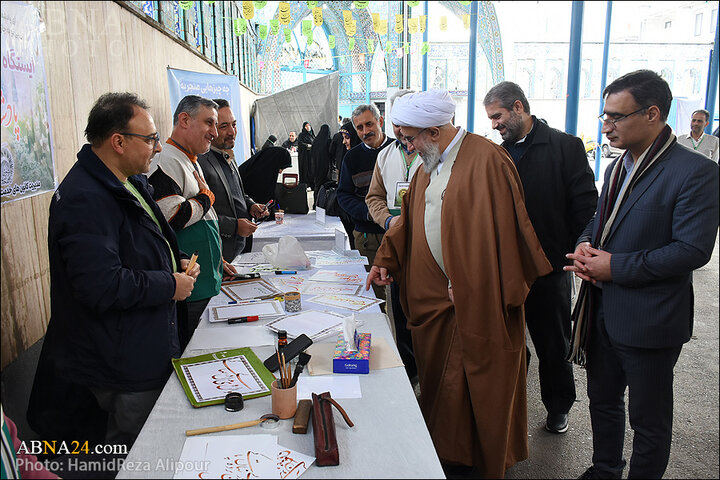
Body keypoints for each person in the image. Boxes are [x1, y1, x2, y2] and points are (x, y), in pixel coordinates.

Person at [365, 90, 552, 479]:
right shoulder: (428, 164)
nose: (409, 147)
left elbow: (507, 236)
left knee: (477, 388)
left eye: (411, 138)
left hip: (477, 300)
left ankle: (479, 461)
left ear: (434, 131)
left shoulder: (487, 160)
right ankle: (450, 454)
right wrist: (385, 258)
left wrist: (476, 284)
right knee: (443, 387)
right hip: (435, 301)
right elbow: (410, 222)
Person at [565, 70, 719, 479]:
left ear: (652, 114)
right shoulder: (619, 166)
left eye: (615, 117)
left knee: (648, 421)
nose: (605, 125)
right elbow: (601, 220)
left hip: (649, 318)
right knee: (603, 402)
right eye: (604, 115)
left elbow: (692, 250)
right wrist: (585, 243)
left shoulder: (695, 172)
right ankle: (605, 469)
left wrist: (613, 267)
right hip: (600, 312)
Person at [27, 92, 198, 449]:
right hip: (121, 360)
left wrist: (174, 260)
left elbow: (140, 240)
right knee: (140, 452)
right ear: (118, 141)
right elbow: (100, 285)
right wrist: (169, 284)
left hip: (142, 341)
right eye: (150, 139)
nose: (156, 148)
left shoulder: (127, 180)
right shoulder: (85, 197)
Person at [483, 81, 598, 434]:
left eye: (498, 116)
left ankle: (558, 406)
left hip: (549, 268)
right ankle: (511, 406)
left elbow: (586, 207)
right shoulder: (496, 153)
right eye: (490, 119)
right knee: (510, 344)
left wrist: (583, 243)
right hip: (505, 269)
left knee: (553, 344)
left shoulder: (565, 147)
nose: (494, 125)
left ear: (519, 107)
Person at [147, 95, 236, 347]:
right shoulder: (166, 161)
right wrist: (206, 199)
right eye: (209, 123)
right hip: (190, 290)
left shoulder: (187, 160)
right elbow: (171, 216)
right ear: (184, 120)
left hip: (206, 283)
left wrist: (216, 259)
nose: (214, 132)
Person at [365, 89, 423, 383]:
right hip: (398, 248)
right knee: (401, 316)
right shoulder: (385, 155)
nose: (400, 130)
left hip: (430, 251)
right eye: (396, 122)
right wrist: (388, 220)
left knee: (430, 319)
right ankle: (409, 376)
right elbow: (373, 196)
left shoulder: (435, 154)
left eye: (406, 121)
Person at [197, 99, 269, 262]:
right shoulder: (201, 162)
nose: (232, 131)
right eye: (224, 126)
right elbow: (201, 215)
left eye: (234, 124)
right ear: (212, 129)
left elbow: (237, 193)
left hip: (238, 251)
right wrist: (235, 226)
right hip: (218, 254)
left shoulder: (228, 155)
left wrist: (251, 205)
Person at [337, 104, 394, 303]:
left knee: (404, 293)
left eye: (369, 124)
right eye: (359, 127)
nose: (365, 131)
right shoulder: (352, 158)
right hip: (368, 237)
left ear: (380, 121)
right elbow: (343, 195)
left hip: (400, 233)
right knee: (374, 297)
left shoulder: (399, 150)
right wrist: (369, 213)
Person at [331, 121, 362, 250]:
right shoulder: (348, 158)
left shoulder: (363, 158)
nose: (344, 142)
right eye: (344, 138)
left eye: (347, 138)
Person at [310, 124, 333, 203]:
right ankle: (323, 203)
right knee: (325, 186)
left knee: (317, 184)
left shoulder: (316, 141)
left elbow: (312, 153)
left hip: (316, 166)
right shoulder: (328, 141)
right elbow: (331, 153)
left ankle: (315, 202)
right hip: (325, 167)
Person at [297, 122, 315, 188]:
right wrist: (307, 146)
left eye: (309, 126)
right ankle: (305, 184)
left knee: (311, 169)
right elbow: (300, 143)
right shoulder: (301, 135)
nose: (308, 127)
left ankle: (311, 183)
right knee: (305, 170)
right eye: (306, 126)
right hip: (304, 156)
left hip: (311, 156)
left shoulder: (312, 135)